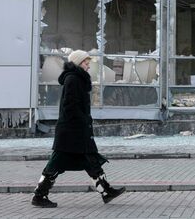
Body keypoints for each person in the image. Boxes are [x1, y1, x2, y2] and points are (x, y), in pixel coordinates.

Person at [31, 50, 125, 208]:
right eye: (85, 63)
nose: (88, 66)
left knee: (91, 160)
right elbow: (70, 106)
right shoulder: (73, 79)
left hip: (77, 130)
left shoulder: (77, 79)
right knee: (55, 164)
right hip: (71, 131)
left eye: (88, 63)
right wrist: (83, 120)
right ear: (77, 63)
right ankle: (39, 195)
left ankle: (106, 191)